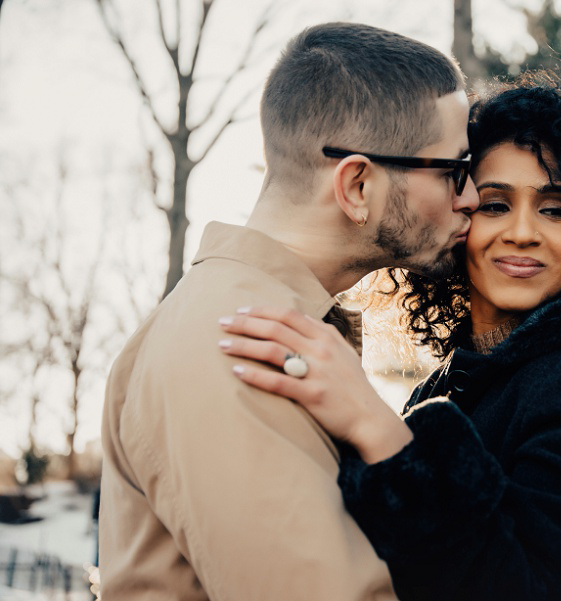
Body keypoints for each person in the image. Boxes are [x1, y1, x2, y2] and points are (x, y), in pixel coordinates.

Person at [217, 77, 561, 600]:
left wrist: (372, 424)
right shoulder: (460, 379)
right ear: (457, 220)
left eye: (554, 209)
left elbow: (538, 586)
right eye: (495, 204)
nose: (522, 232)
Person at [99, 22, 478, 600]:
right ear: (356, 185)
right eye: (453, 171)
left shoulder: (262, 323)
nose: (471, 196)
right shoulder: (237, 343)